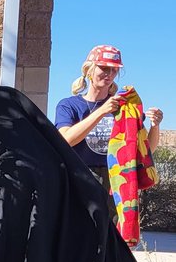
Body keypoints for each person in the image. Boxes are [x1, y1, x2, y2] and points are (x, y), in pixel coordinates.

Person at [54, 46, 163, 192]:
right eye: (104, 68)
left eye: (114, 70)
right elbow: (65, 140)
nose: (109, 74)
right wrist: (102, 111)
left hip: (117, 181)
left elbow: (145, 150)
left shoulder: (124, 107)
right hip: (79, 178)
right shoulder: (69, 105)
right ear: (89, 70)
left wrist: (155, 126)